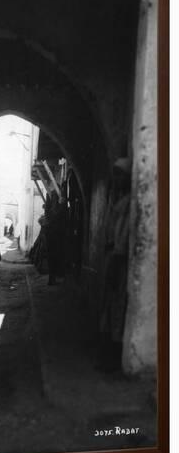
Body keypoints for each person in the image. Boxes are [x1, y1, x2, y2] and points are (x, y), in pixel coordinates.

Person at [97, 158, 131, 372]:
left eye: (120, 175)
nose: (116, 179)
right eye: (115, 174)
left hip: (120, 259)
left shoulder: (128, 204)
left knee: (117, 306)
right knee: (109, 306)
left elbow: (123, 235)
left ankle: (114, 358)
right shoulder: (115, 200)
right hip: (111, 255)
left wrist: (116, 258)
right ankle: (107, 355)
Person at [45, 189, 66, 285]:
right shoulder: (54, 211)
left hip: (51, 238)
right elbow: (58, 215)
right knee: (55, 257)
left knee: (51, 259)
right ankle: (53, 278)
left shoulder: (49, 211)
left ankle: (52, 278)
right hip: (55, 238)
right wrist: (62, 205)